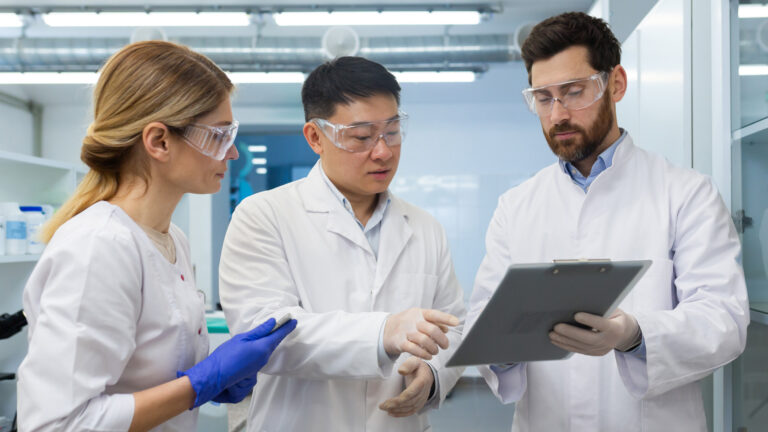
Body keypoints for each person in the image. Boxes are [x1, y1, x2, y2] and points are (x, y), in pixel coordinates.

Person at [466, 12, 749, 432]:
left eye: (573, 91)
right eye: (543, 98)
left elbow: (723, 319)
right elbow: (484, 318)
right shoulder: (516, 206)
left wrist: (633, 335)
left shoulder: (686, 193)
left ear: (615, 83)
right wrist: (499, 348)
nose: (558, 113)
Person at [16, 41, 296, 432]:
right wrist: (199, 384)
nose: (232, 154)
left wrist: (212, 380)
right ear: (159, 141)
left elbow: (140, 373)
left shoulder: (171, 239)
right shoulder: (99, 246)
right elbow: (59, 424)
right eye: (218, 135)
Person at [218, 56, 465, 431]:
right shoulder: (264, 215)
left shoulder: (424, 227)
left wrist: (432, 375)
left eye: (393, 132)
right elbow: (264, 334)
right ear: (316, 137)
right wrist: (384, 333)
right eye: (362, 137)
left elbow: (454, 327)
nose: (382, 151)